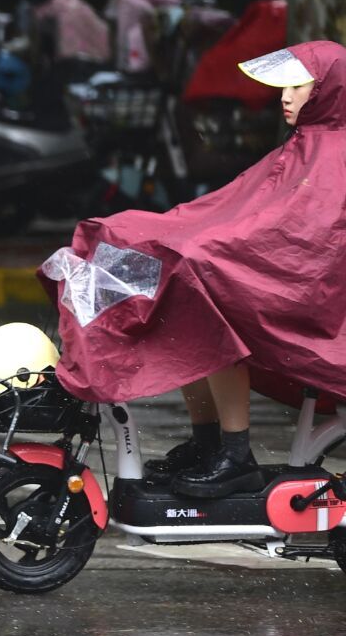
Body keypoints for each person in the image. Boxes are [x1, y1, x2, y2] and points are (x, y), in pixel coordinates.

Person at [44, 41, 346, 498]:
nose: (285, 96)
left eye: (298, 86)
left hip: (295, 292)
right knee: (155, 261)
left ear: (327, 90)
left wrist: (207, 247)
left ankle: (235, 454)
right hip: (264, 271)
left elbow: (303, 238)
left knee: (202, 294)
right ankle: (208, 442)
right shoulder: (307, 145)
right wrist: (181, 233)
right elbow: (240, 209)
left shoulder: (331, 155)